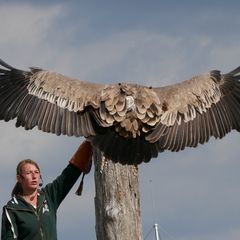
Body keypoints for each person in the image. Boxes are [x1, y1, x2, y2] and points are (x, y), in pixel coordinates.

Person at [1, 140, 93, 240]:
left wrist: (90, 142)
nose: (34, 176)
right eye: (29, 173)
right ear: (19, 178)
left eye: (36, 172)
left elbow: (68, 176)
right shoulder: (12, 209)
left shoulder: (48, 196)